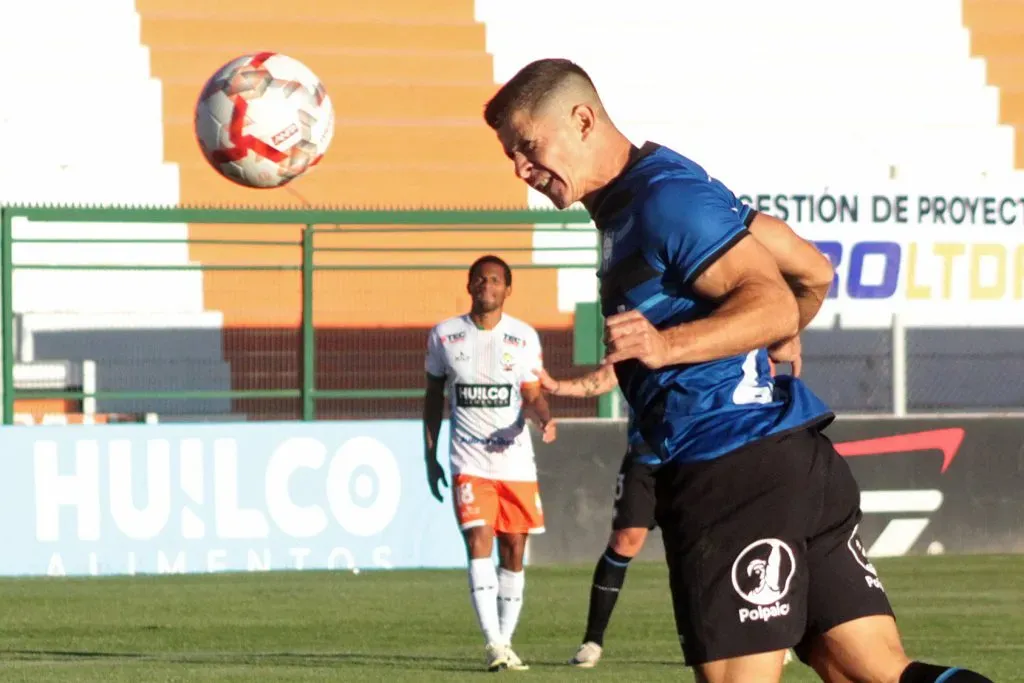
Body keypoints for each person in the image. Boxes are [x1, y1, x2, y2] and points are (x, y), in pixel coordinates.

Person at [482, 58, 993, 683]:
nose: (520, 168)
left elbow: (775, 298)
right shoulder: (656, 194)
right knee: (876, 671)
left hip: (730, 470)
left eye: (528, 147)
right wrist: (776, 334)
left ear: (582, 120)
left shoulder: (662, 199)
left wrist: (673, 345)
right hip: (792, 461)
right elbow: (810, 272)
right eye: (511, 155)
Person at [537, 208, 822, 668]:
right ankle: (593, 639)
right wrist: (563, 388)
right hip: (650, 455)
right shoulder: (661, 312)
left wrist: (786, 334)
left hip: (724, 453)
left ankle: (771, 631)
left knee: (746, 542)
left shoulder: (741, 321)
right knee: (627, 539)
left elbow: (809, 278)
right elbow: (610, 375)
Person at [422, 254, 557, 673]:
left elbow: (532, 392)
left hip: (515, 461)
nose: (487, 286)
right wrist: (430, 454)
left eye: (495, 280)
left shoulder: (524, 338)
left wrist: (545, 417)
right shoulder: (445, 336)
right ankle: (494, 644)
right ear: (469, 286)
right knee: (478, 539)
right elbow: (431, 398)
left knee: (514, 549)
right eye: (480, 279)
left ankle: (506, 640)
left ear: (508, 289)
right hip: (469, 459)